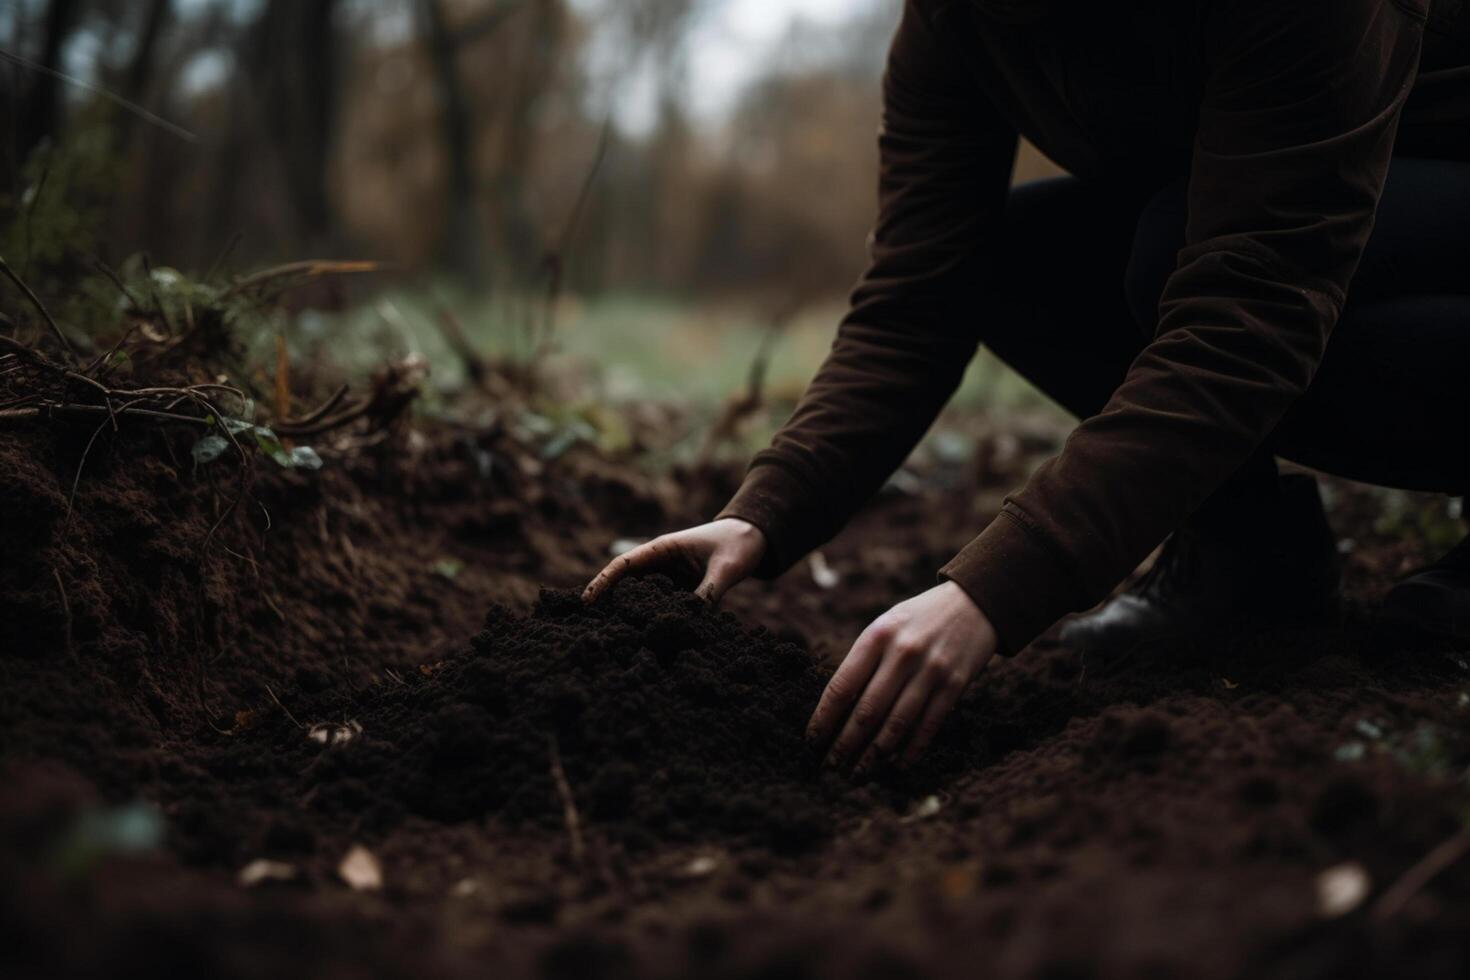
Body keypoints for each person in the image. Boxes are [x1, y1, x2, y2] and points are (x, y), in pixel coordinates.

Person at [585, 0, 1470, 775]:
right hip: (1334, 220)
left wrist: (993, 591)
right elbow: (915, 301)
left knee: (1175, 257)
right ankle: (1250, 566)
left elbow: (1248, 320)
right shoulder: (959, 18)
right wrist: (762, 515)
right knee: (1009, 261)